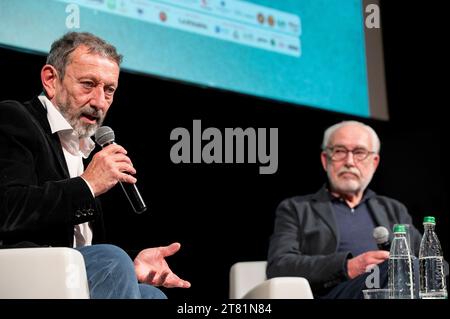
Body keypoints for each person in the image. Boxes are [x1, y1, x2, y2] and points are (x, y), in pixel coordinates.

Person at [0, 32, 190, 298]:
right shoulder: (14, 119)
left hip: (70, 275)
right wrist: (87, 185)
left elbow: (87, 246)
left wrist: (133, 261)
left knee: (152, 295)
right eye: (88, 84)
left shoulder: (83, 148)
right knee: (111, 259)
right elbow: (8, 208)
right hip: (22, 271)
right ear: (51, 80)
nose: (100, 102)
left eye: (109, 90)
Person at [266, 120, 422, 298]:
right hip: (335, 293)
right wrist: (348, 266)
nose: (349, 161)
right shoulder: (296, 209)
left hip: (394, 290)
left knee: (414, 268)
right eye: (340, 151)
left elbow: (424, 262)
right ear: (326, 160)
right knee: (399, 268)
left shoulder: (394, 209)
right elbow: (279, 266)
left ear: (374, 162)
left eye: (359, 152)